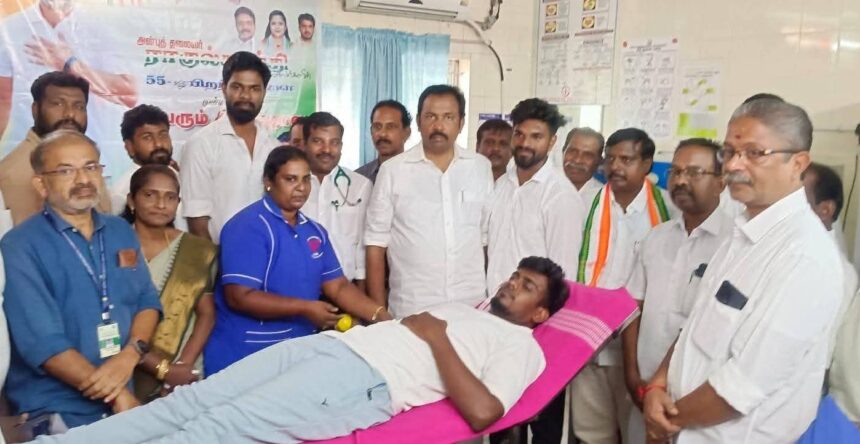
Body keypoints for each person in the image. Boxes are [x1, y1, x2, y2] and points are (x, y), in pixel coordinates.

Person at [34, 256, 567, 444]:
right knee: (189, 404)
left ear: (540, 314)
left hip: (363, 383)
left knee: (214, 431)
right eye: (514, 276)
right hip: (331, 348)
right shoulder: (469, 309)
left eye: (526, 288)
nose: (511, 286)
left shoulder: (522, 346)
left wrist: (435, 336)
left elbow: (484, 412)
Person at [643, 98, 844, 443]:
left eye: (754, 153)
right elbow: (696, 325)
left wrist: (666, 423)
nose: (734, 165)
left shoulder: (804, 256)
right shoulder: (740, 234)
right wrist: (658, 385)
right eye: (730, 152)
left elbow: (742, 386)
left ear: (798, 163)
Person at [1, 130, 161, 431]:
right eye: (66, 171)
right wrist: (118, 397)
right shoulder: (19, 246)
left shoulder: (120, 231)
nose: (83, 179)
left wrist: (130, 354)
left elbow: (147, 301)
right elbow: (44, 345)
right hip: (55, 409)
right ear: (41, 184)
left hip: (123, 398)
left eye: (90, 167)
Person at [204, 146, 390, 375]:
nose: (301, 188)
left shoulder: (314, 231)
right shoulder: (247, 226)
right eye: (290, 179)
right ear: (268, 181)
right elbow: (239, 297)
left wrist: (381, 316)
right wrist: (305, 308)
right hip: (247, 351)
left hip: (298, 350)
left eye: (305, 179)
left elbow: (338, 286)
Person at [485, 98, 583, 444]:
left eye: (536, 136)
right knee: (500, 420)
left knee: (543, 426)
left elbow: (563, 280)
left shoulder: (560, 196)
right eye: (520, 134)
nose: (525, 143)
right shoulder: (501, 184)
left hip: (539, 330)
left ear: (552, 141)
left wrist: (549, 342)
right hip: (498, 322)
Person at [620, 138, 731, 443]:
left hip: (697, 394)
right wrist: (631, 373)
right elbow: (633, 306)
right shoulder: (657, 238)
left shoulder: (733, 244)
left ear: (721, 182)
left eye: (694, 172)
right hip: (644, 385)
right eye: (676, 172)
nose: (681, 180)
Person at [571, 127, 675, 444]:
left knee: (637, 432)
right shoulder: (585, 202)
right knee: (591, 433)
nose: (615, 166)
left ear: (646, 164)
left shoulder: (670, 208)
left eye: (626, 159)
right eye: (610, 159)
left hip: (642, 349)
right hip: (592, 343)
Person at [365, 85, 494, 318]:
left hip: (471, 306)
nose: (438, 126)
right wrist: (379, 314)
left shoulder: (480, 167)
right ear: (418, 121)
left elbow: (484, 238)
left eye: (448, 117)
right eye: (431, 116)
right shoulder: (393, 171)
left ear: (461, 123)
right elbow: (375, 244)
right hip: (412, 308)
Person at [0, 0, 138, 168]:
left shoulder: (102, 24)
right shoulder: (10, 27)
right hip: (27, 158)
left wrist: (69, 63)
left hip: (88, 157)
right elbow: (3, 100)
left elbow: (128, 94)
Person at [120, 165, 217, 402]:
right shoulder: (113, 246)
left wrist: (182, 367)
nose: (161, 204)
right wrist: (162, 369)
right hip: (124, 368)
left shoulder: (197, 250)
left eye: (170, 197)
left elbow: (206, 314)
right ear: (132, 200)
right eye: (150, 195)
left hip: (184, 371)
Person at [180, 51, 278, 243]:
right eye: (237, 87)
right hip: (220, 257)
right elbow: (197, 223)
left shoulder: (273, 147)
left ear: (264, 92)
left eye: (254, 89)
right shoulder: (201, 145)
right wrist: (217, 261)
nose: (245, 96)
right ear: (224, 88)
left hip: (268, 256)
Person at [0, 71, 109, 225]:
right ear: (35, 110)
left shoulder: (88, 160)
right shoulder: (17, 174)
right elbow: (29, 236)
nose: (70, 114)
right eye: (58, 104)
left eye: (79, 106)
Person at [301, 112, 372, 285]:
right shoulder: (291, 184)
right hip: (298, 285)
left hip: (345, 286)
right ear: (304, 144)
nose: (327, 150)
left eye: (334, 143)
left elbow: (362, 246)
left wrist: (360, 291)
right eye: (318, 141)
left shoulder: (359, 185)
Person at [110, 104, 187, 231]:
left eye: (163, 135)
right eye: (147, 137)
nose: (159, 144)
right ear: (129, 147)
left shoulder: (181, 176)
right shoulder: (121, 193)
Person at [356, 99, 412, 184]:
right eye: (377, 127)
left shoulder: (420, 175)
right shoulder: (358, 178)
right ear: (371, 132)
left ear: (407, 133)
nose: (382, 134)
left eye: (390, 127)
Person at [562, 127, 605, 205]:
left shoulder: (606, 199)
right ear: (563, 151)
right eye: (572, 151)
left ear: (599, 161)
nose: (577, 160)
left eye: (587, 155)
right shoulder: (544, 189)